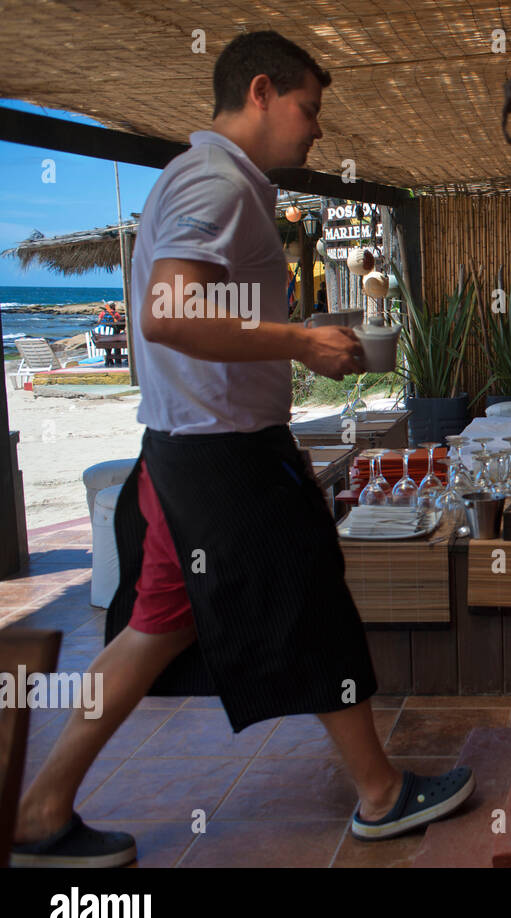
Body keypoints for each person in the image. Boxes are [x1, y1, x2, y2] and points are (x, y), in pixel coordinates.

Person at [11, 30, 475, 868]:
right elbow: (166, 313)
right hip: (221, 461)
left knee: (154, 627)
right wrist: (301, 342)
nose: (317, 130)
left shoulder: (210, 182)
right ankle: (380, 793)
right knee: (315, 601)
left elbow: (199, 319)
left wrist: (289, 371)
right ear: (260, 91)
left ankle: (41, 808)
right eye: (310, 108)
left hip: (190, 450)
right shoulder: (215, 181)